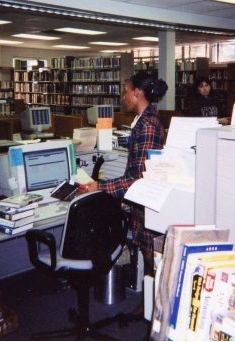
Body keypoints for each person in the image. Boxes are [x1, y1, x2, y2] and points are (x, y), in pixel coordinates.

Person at [86, 71, 168, 277]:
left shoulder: (147, 125)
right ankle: (146, 307)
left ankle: (149, 308)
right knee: (148, 258)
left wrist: (100, 187)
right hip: (141, 200)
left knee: (151, 260)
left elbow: (139, 175)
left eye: (126, 91)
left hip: (147, 202)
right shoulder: (144, 120)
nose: (123, 97)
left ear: (138, 93)